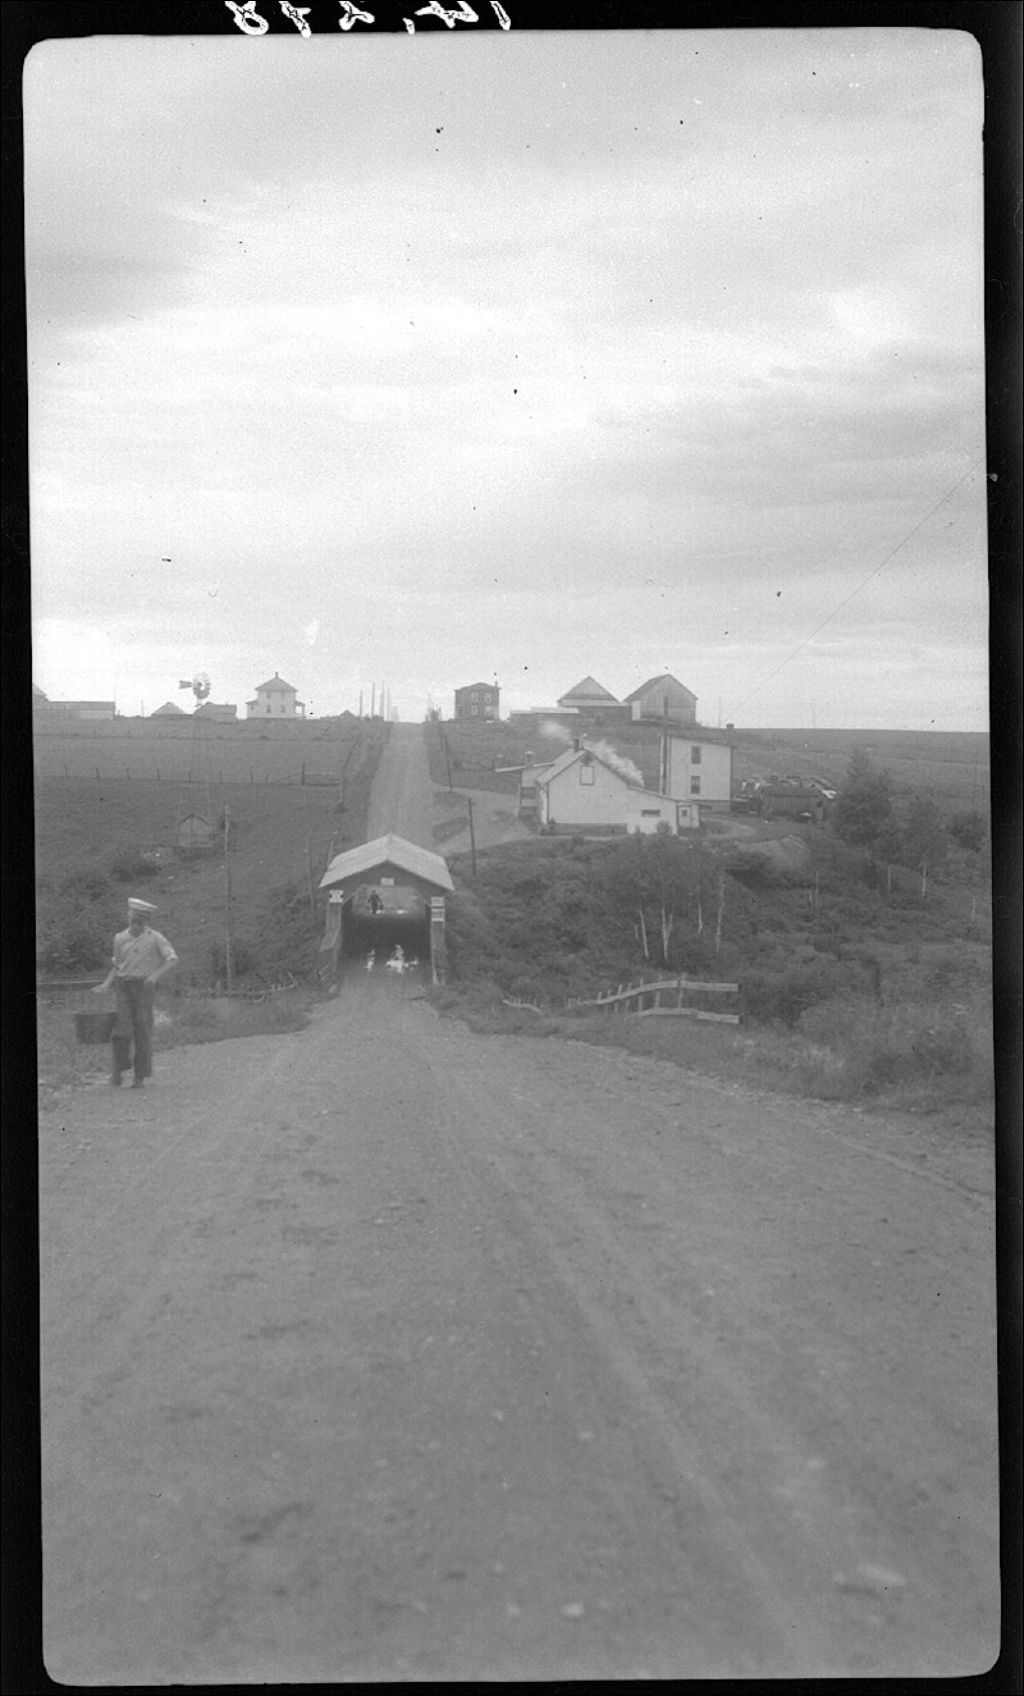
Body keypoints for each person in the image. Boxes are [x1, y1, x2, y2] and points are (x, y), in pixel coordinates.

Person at [93, 898, 178, 1088]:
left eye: (141, 922)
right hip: (123, 986)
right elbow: (118, 965)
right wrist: (106, 984)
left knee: (142, 1029)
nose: (136, 926)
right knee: (121, 1029)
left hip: (144, 987)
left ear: (146, 922)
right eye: (133, 921)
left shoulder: (156, 938)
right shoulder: (119, 938)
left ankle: (140, 1075)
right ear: (128, 919)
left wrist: (155, 976)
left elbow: (172, 959)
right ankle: (119, 1068)